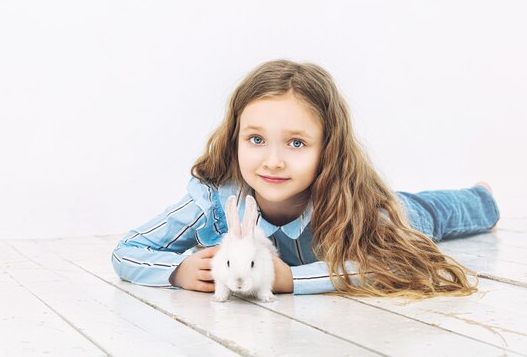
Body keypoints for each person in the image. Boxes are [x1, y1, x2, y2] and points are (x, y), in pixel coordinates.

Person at [111, 60, 500, 297]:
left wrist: (292, 280)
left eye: (296, 143)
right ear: (236, 139)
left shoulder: (358, 205)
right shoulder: (216, 202)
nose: (273, 161)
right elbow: (128, 249)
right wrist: (175, 271)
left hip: (397, 213)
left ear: (326, 149)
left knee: (436, 211)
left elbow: (386, 263)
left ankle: (482, 196)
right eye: (257, 139)